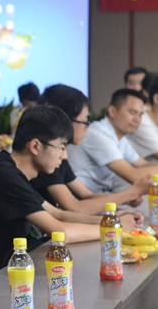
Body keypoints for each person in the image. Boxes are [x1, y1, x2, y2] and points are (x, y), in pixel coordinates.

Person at [0, 105, 140, 277]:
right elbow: (60, 232)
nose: (64, 156)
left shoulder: (13, 170)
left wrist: (112, 219)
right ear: (35, 146)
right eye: (61, 147)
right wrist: (115, 229)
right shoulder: (4, 175)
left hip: (8, 266)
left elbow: (58, 214)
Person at [34, 84, 150, 213]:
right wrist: (131, 193)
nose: (87, 127)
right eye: (84, 121)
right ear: (64, 121)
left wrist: (123, 201)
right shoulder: (46, 157)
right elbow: (74, 208)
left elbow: (86, 195)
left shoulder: (60, 156)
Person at [67, 89, 158, 194]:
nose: (137, 120)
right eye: (132, 112)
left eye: (140, 115)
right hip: (83, 197)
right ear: (112, 111)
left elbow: (142, 165)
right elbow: (133, 175)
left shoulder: (120, 137)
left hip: (102, 195)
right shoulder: (98, 134)